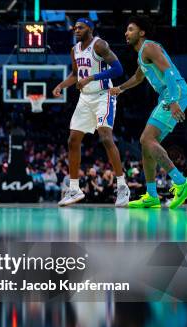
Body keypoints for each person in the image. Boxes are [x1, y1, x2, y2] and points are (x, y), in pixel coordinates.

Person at [110, 15, 187, 209]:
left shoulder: (150, 46)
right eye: (126, 29)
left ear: (142, 32)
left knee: (147, 139)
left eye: (130, 29)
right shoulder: (142, 54)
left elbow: (169, 72)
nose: (126, 32)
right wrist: (120, 89)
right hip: (168, 95)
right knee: (147, 145)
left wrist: (173, 100)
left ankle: (181, 182)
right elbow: (138, 78)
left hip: (175, 92)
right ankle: (152, 195)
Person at [52, 18, 129, 207]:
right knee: (72, 140)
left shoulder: (100, 45)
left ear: (90, 29)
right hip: (85, 98)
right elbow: (76, 74)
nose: (76, 30)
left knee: (105, 137)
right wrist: (61, 85)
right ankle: (74, 189)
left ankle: (122, 187)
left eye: (81, 27)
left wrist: (92, 78)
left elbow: (118, 69)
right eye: (75, 27)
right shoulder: (74, 50)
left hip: (104, 95)